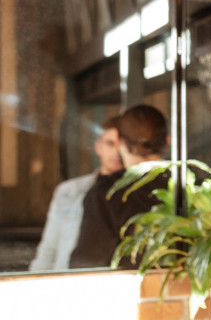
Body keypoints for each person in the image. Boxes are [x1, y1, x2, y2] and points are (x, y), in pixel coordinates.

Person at [69, 103, 168, 269]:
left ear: (119, 141)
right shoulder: (195, 184)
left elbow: (88, 264)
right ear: (167, 141)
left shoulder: (108, 192)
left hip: (131, 292)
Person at [29, 120, 124, 271]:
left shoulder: (134, 195)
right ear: (98, 147)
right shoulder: (69, 191)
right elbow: (48, 248)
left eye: (122, 145)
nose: (116, 152)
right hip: (66, 280)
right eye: (110, 143)